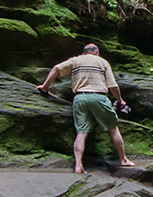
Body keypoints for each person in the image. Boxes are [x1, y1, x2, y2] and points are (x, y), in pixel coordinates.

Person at [36, 43, 135, 173]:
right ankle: (123, 160)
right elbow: (113, 86)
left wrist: (45, 87)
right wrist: (120, 100)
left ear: (84, 53)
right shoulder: (102, 62)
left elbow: (56, 69)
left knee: (81, 133)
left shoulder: (76, 60)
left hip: (80, 98)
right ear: (96, 52)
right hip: (98, 97)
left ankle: (78, 165)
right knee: (113, 129)